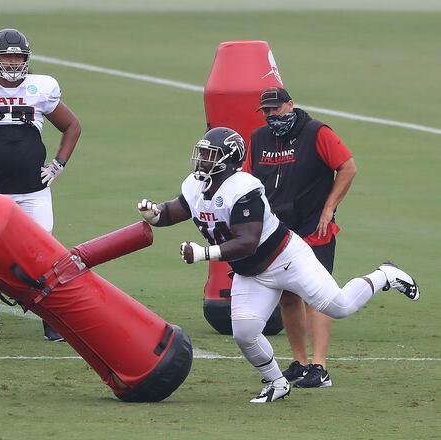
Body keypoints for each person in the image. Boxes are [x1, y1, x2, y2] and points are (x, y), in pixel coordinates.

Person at [137, 127, 419, 403]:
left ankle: (385, 275)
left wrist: (203, 253)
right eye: (203, 154)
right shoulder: (196, 185)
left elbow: (248, 240)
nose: (202, 160)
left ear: (228, 159)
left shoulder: (245, 188)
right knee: (245, 334)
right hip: (252, 272)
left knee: (339, 306)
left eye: (210, 155)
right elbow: (178, 209)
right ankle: (276, 382)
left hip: (286, 259)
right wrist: (156, 215)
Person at [0, 28, 82, 342]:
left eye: (18, 56)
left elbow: (72, 126)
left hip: (33, 191)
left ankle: (50, 320)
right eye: (7, 56)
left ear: (27, 59)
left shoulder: (41, 88)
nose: (12, 62)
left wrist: (58, 165)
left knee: (44, 257)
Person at [244, 86, 357, 388]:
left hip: (313, 228)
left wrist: (329, 208)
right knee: (288, 296)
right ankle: (300, 362)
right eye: (266, 111)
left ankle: (320, 367)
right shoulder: (258, 139)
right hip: (278, 233)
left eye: (275, 109)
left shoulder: (317, 132)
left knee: (318, 297)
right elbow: (248, 180)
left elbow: (347, 166)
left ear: (290, 105)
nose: (271, 116)